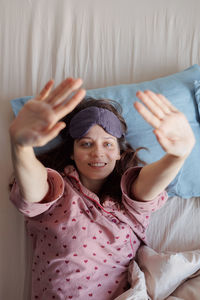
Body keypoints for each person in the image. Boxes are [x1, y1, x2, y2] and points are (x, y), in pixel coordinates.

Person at [9, 77, 195, 300]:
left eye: (107, 144)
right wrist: (21, 147)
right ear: (72, 152)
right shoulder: (56, 190)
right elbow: (33, 190)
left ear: (119, 152)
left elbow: (149, 186)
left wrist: (177, 156)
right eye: (86, 144)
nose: (97, 153)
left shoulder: (128, 197)